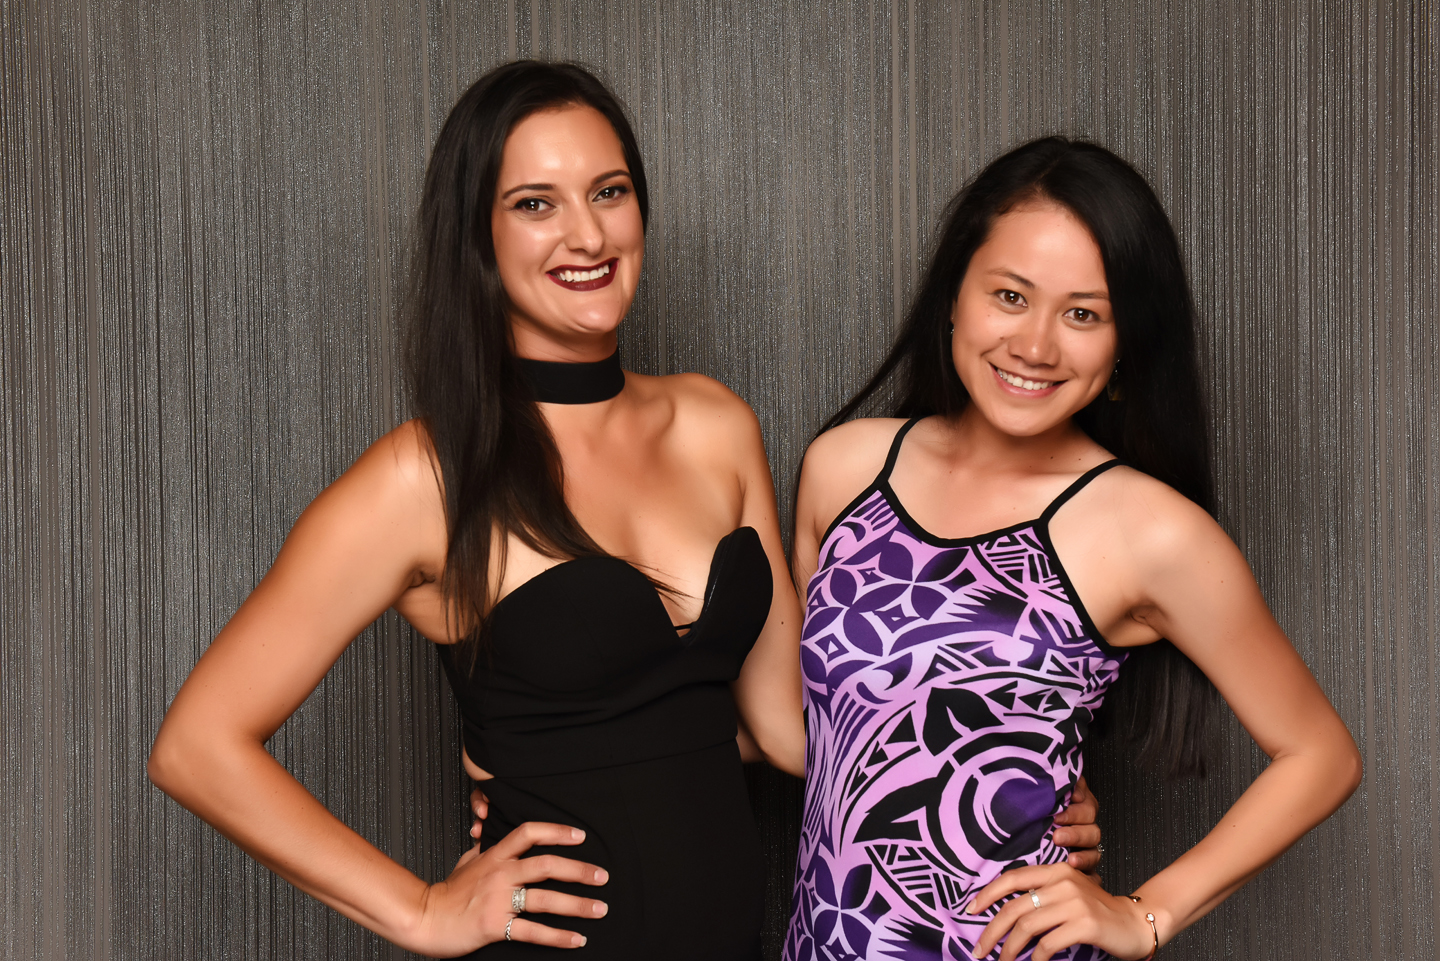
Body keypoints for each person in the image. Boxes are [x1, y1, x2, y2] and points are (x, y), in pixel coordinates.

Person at [149, 60, 1101, 958]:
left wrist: (1013, 776)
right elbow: (198, 746)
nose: (588, 236)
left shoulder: (714, 424)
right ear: (477, 235)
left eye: (608, 192)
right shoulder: (428, 478)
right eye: (536, 204)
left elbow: (788, 728)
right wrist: (422, 909)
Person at [783, 137, 1361, 961]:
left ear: (1125, 341)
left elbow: (1322, 754)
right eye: (1010, 296)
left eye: (1083, 314)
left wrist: (1146, 914)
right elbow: (822, 722)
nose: (1036, 345)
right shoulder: (844, 469)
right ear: (954, 295)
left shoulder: (1149, 530)